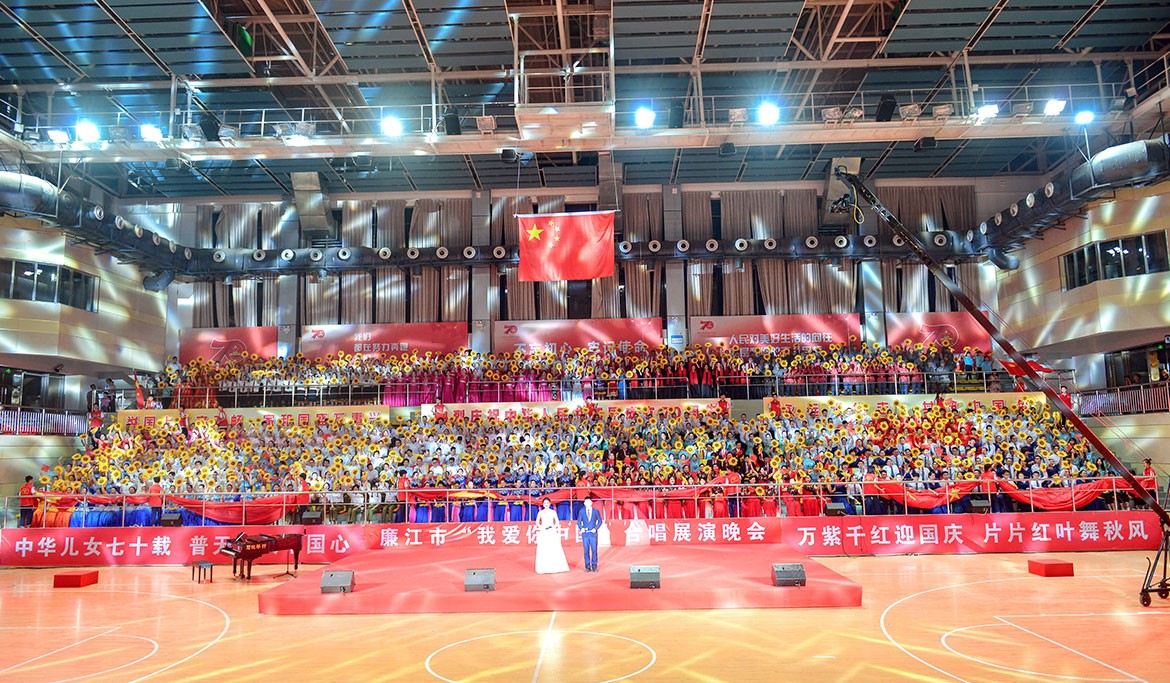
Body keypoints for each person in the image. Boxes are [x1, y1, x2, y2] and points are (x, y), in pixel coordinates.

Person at [534, 497, 569, 574]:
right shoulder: (540, 513)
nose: (546, 504)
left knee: (553, 547)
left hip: (552, 531)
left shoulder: (553, 512)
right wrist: (541, 527)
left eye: (547, 503)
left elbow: (557, 522)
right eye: (545, 503)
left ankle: (555, 565)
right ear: (543, 504)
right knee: (544, 548)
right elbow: (537, 522)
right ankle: (544, 566)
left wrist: (553, 527)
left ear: (550, 504)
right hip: (543, 531)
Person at [576, 495, 603, 572]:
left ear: (591, 502)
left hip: (593, 534)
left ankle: (594, 566)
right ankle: (587, 566)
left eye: (589, 502)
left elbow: (600, 521)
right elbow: (579, 522)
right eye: (586, 502)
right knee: (586, 551)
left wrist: (595, 528)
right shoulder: (581, 511)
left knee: (594, 550)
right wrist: (582, 528)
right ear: (584, 503)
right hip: (585, 534)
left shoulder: (595, 511)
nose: (587, 503)